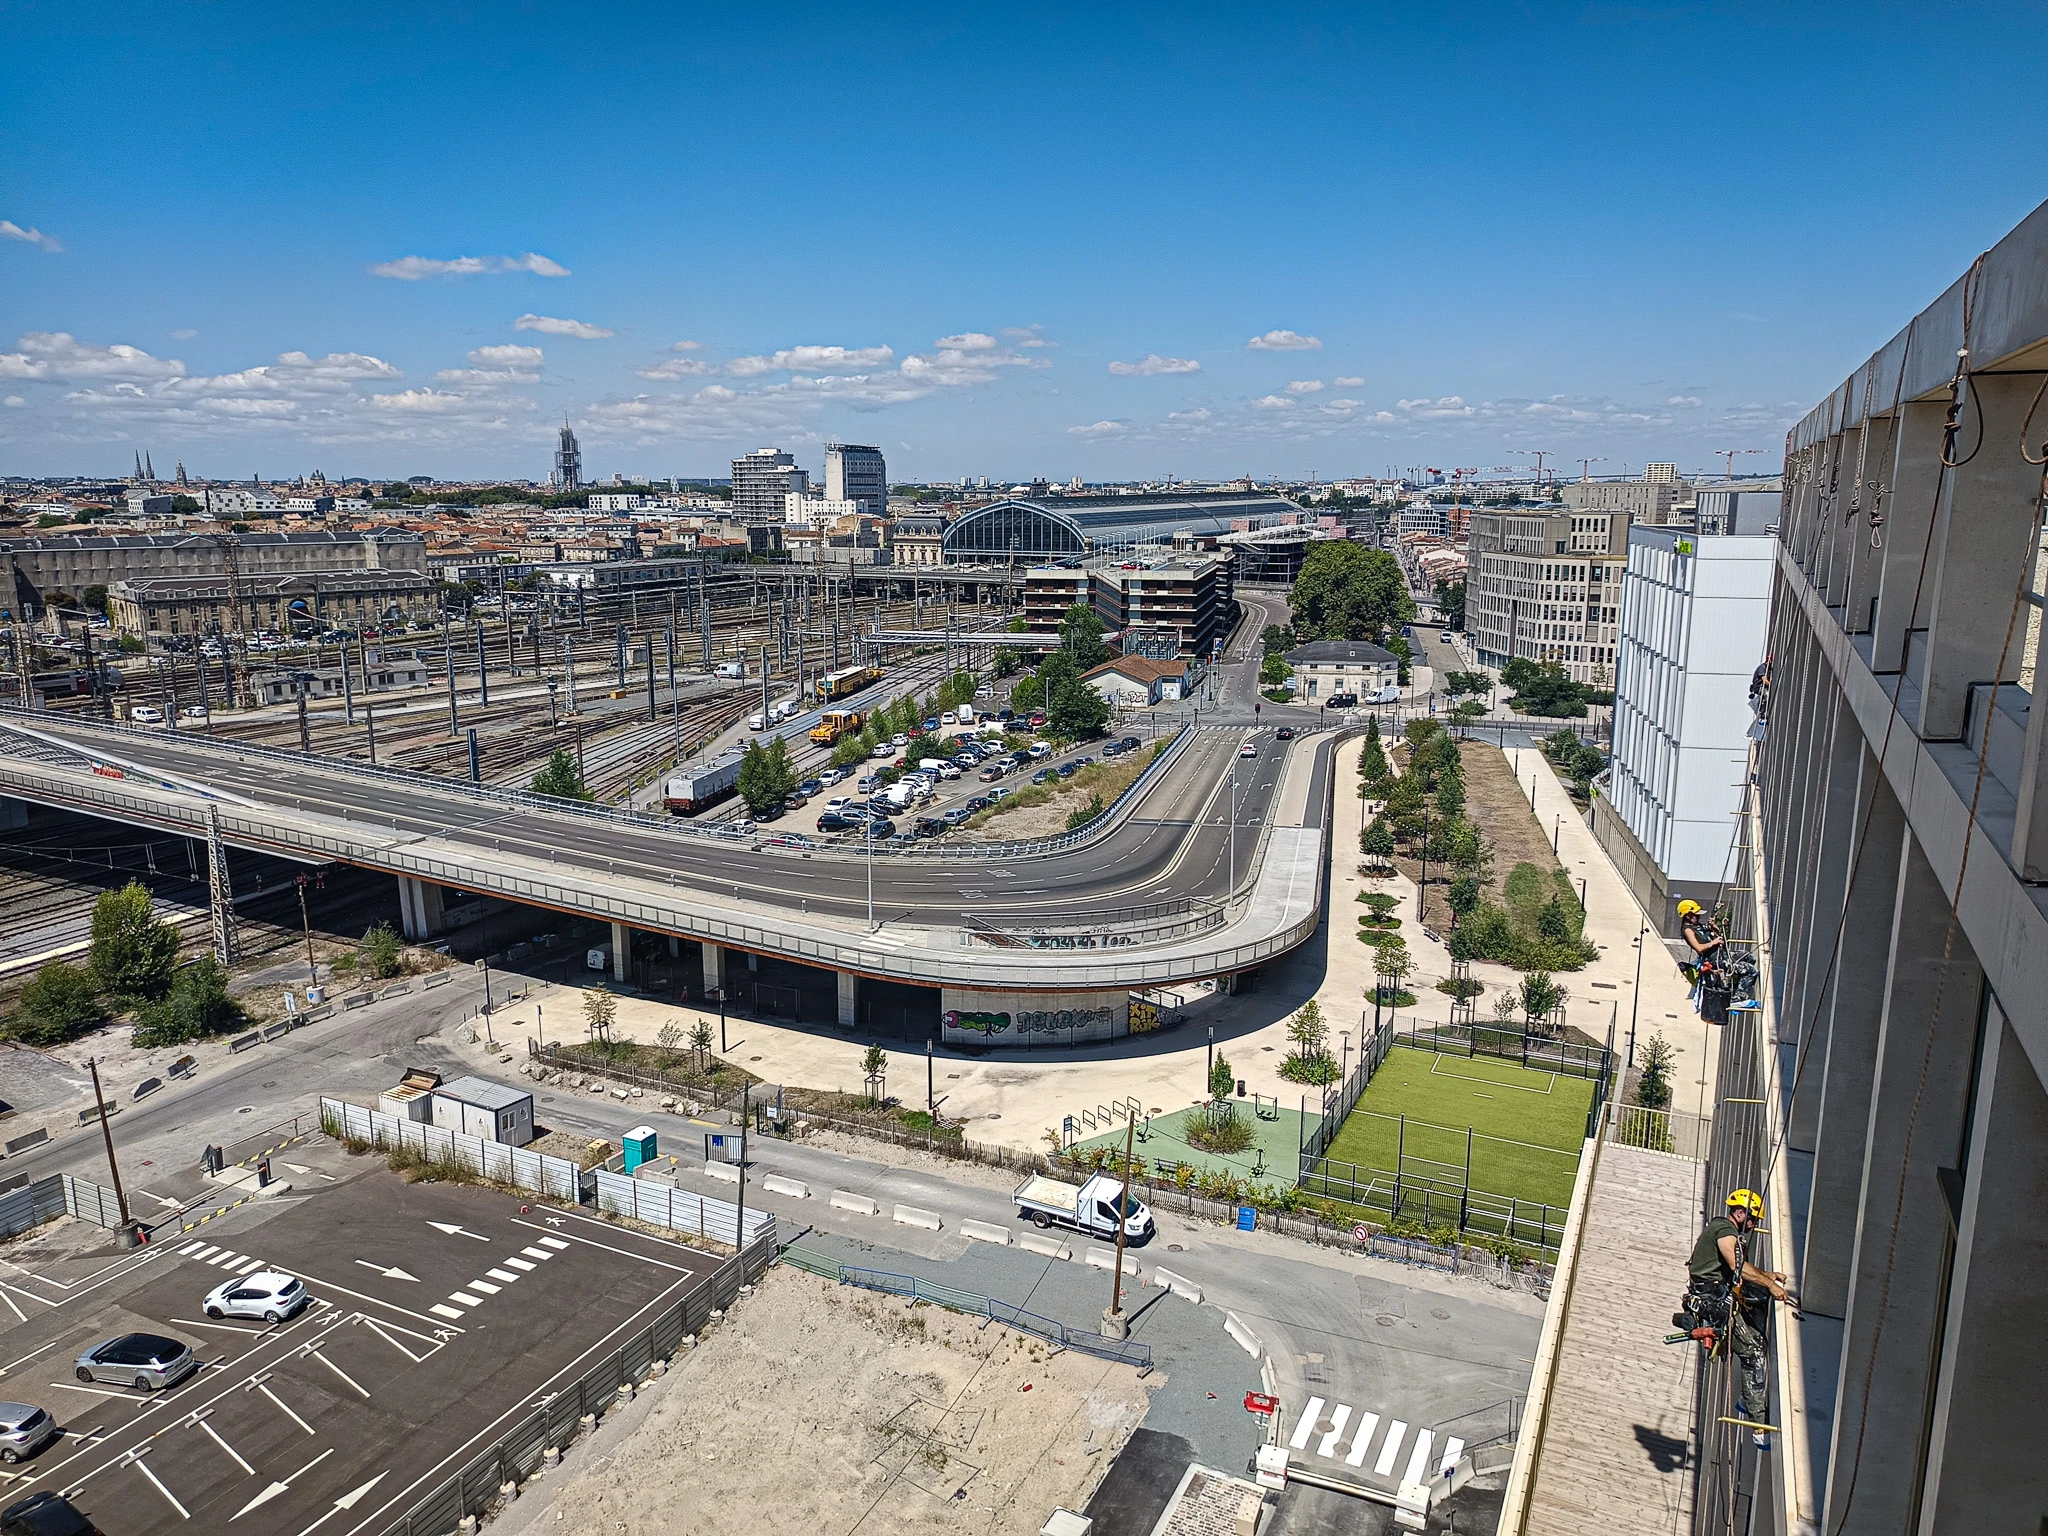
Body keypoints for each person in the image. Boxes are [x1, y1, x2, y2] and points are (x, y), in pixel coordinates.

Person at [1687, 1189, 1790, 1448]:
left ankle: (1748, 1396)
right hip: (1713, 1304)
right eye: (1753, 1219)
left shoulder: (1726, 1232)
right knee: (1754, 1351)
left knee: (1758, 1306)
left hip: (1720, 1296)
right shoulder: (1724, 1231)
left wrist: (1767, 1277)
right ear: (1740, 1213)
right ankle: (1758, 1425)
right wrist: (1770, 1285)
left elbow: (1741, 1267)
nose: (1754, 1225)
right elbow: (1738, 1267)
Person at [1680, 900, 1730, 1023]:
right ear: (1688, 915)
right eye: (1696, 915)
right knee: (1746, 969)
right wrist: (1714, 942)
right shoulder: (1688, 930)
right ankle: (1738, 996)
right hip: (1712, 959)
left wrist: (1714, 927)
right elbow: (1699, 948)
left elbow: (1717, 936)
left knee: (1748, 959)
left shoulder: (1699, 926)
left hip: (1719, 955)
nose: (1699, 916)